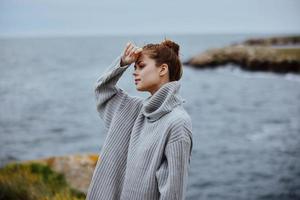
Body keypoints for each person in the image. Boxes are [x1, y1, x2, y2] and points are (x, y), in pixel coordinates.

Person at [86, 39, 193, 200]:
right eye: (134, 68)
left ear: (163, 69)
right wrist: (122, 62)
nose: (134, 72)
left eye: (141, 66)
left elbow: (173, 192)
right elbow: (102, 90)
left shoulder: (177, 122)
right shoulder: (133, 109)